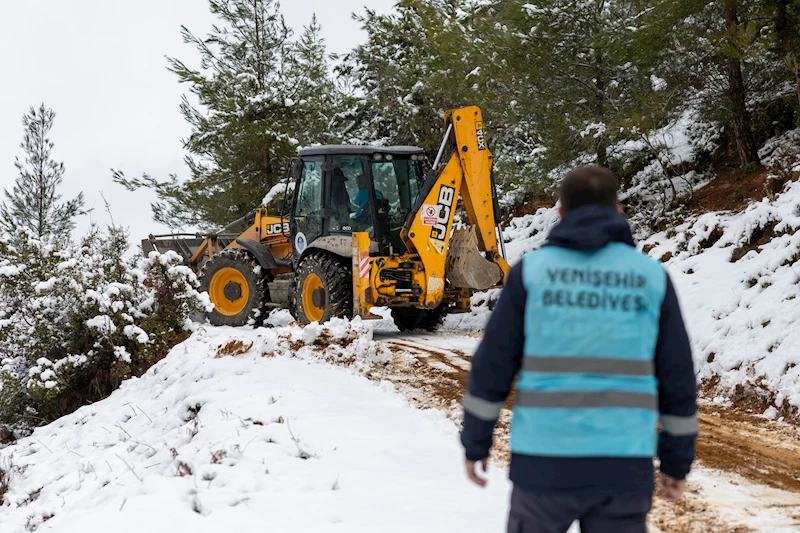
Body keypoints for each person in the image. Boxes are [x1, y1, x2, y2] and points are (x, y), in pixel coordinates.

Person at [461, 166, 697, 533]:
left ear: (560, 215)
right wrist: (676, 462)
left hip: (543, 467)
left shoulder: (532, 272)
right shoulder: (651, 278)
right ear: (618, 211)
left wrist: (476, 442)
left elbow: (492, 364)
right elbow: (677, 377)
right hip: (623, 467)